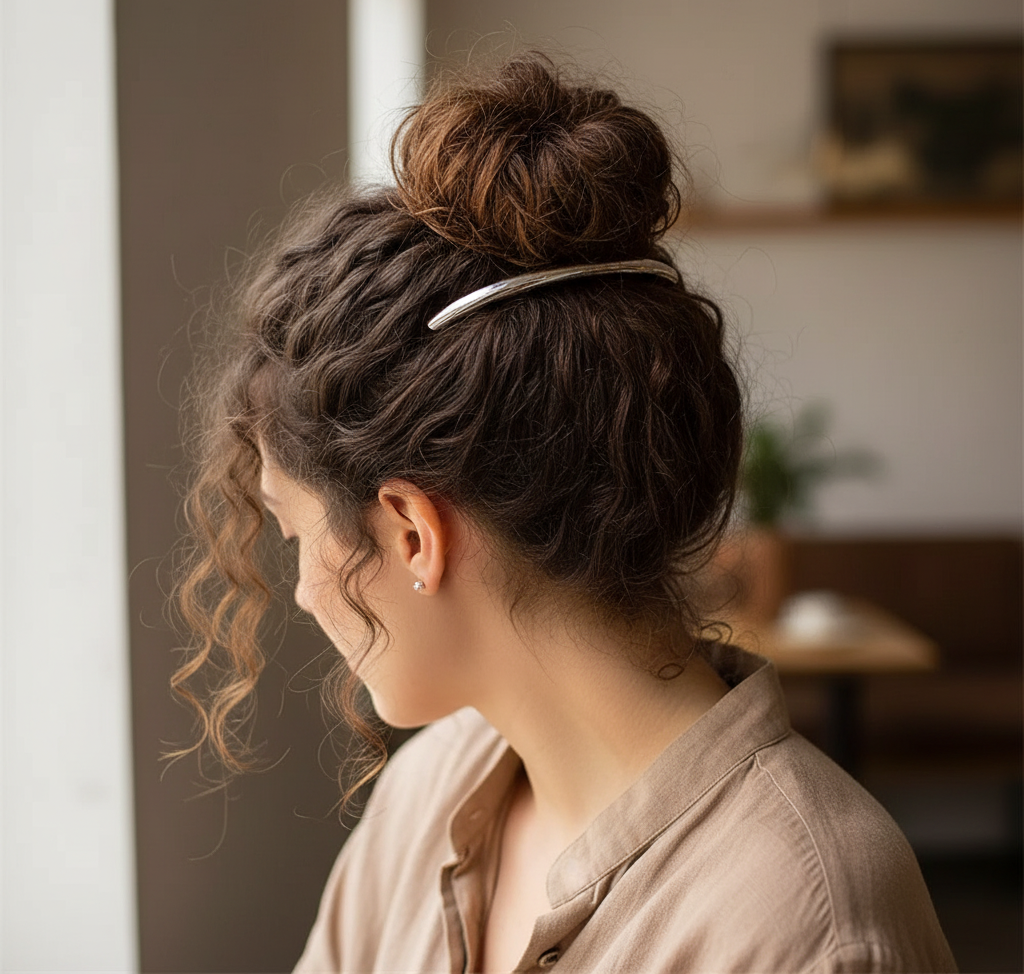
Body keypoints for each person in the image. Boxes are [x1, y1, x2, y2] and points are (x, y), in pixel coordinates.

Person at [176, 56, 956, 973]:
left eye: (297, 534)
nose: (305, 591)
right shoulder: (428, 794)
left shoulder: (807, 925)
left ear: (412, 533)